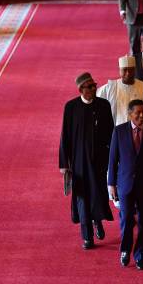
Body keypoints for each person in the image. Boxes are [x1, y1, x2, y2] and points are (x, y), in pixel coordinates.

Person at [59, 73, 115, 250]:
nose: (93, 89)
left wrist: (114, 157)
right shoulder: (71, 107)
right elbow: (65, 136)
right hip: (79, 162)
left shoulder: (103, 105)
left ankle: (97, 220)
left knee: (98, 194)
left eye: (94, 86)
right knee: (82, 197)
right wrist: (64, 164)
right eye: (89, 87)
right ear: (80, 89)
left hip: (99, 160)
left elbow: (111, 133)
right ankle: (87, 236)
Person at [107, 99, 143, 270]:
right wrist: (111, 184)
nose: (141, 116)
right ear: (130, 114)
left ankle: (141, 255)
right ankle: (125, 250)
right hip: (125, 184)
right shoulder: (119, 131)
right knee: (126, 219)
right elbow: (112, 159)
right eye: (137, 113)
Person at [97, 56, 143, 125]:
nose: (128, 73)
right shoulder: (110, 88)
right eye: (124, 70)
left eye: (131, 70)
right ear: (120, 70)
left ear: (135, 70)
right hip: (116, 129)